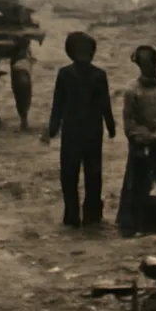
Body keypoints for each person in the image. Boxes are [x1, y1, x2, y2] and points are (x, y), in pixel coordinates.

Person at [41, 31, 116, 229]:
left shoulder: (66, 74)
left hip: (74, 131)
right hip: (90, 131)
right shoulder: (97, 75)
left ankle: (73, 215)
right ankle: (90, 215)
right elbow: (105, 105)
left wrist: (53, 128)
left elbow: (58, 105)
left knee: (72, 174)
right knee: (90, 173)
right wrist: (111, 127)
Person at [117, 45, 156, 237]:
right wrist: (143, 137)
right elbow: (129, 120)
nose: (147, 66)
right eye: (143, 63)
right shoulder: (132, 91)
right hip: (140, 143)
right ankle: (130, 224)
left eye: (150, 62)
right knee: (135, 183)